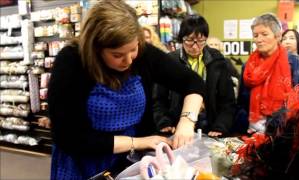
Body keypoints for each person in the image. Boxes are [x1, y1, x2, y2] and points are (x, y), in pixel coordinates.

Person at [48, 1, 205, 179]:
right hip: (83, 163)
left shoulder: (144, 54)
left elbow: (193, 82)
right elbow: (70, 137)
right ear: (96, 48)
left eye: (133, 49)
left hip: (130, 161)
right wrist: (139, 142)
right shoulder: (71, 61)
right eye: (117, 55)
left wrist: (187, 122)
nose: (129, 60)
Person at [153, 14, 236, 137]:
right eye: (190, 40)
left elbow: (227, 100)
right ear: (182, 38)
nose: (195, 46)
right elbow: (159, 99)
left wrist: (221, 125)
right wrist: (164, 122)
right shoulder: (170, 61)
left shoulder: (217, 60)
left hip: (211, 125)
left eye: (201, 41)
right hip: (176, 126)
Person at [237, 13, 299, 133]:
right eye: (255, 35)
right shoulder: (248, 67)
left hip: (285, 134)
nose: (259, 39)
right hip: (251, 134)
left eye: (264, 34)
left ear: (277, 36)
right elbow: (241, 103)